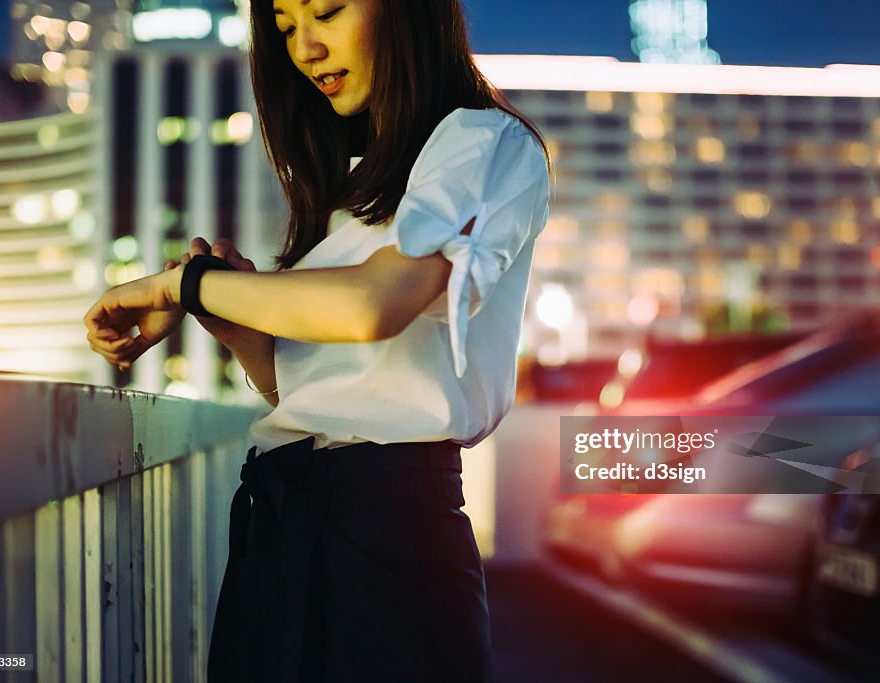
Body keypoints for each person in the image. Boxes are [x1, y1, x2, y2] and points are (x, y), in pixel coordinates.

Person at [83, 0, 550, 680]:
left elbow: (371, 307)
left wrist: (184, 287)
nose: (304, 48)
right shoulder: (352, 185)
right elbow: (325, 393)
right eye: (284, 28)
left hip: (394, 541)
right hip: (282, 531)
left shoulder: (484, 142)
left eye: (325, 12)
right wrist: (241, 326)